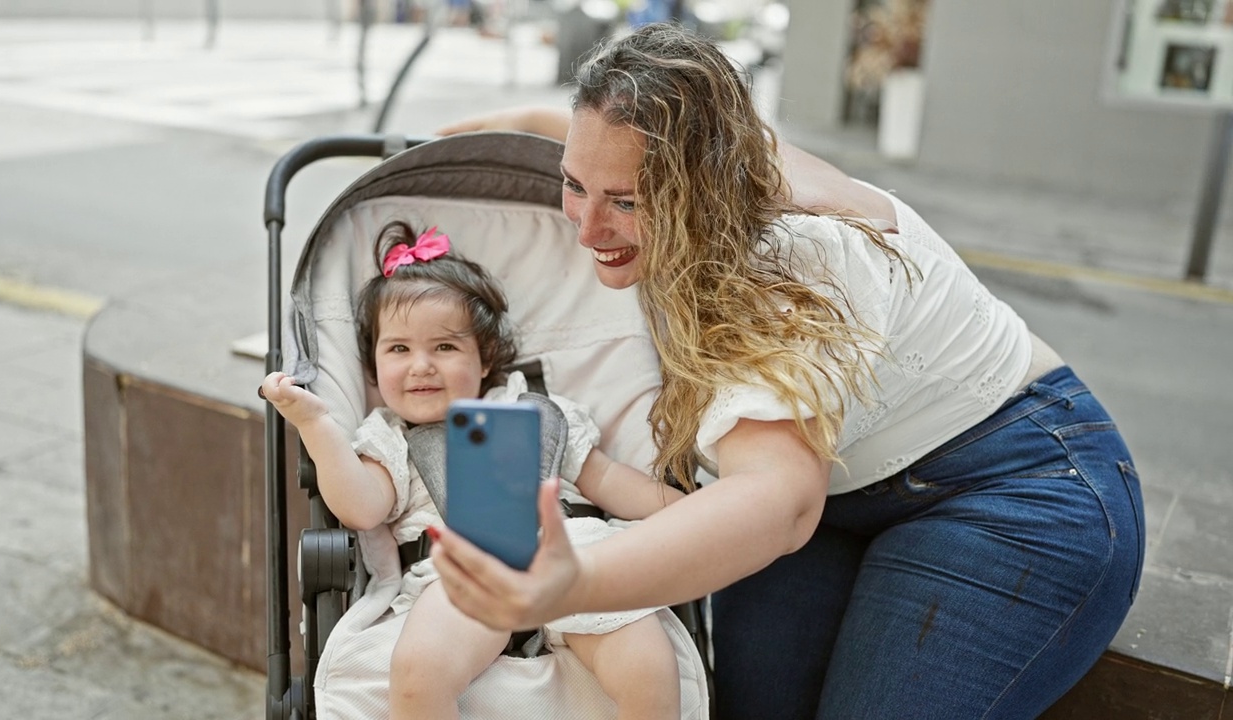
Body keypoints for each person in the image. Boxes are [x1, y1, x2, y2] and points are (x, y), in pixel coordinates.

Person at [430, 23, 1145, 720]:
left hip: (1013, 485)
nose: (587, 229)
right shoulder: (710, 147)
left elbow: (781, 498)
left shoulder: (791, 260)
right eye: (575, 186)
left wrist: (574, 585)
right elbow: (590, 134)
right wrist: (488, 127)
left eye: (625, 202)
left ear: (701, 190)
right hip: (848, 491)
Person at [260, 220, 685, 720]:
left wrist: (701, 511)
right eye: (399, 349)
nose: (421, 365)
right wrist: (317, 423)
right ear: (373, 368)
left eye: (445, 347)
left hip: (574, 556)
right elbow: (359, 507)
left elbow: (611, 482)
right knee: (417, 671)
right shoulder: (388, 438)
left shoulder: (536, 412)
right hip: (457, 576)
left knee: (648, 666)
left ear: (484, 361)